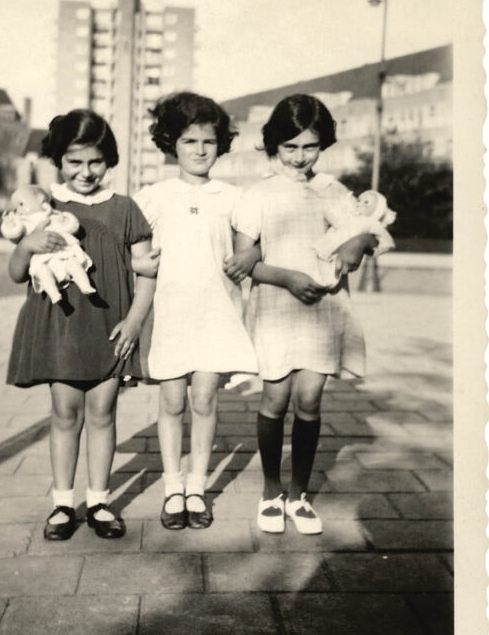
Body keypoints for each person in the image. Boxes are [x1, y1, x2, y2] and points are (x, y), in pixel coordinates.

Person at [6, 110, 155, 541]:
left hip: (111, 329)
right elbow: (17, 273)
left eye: (95, 162)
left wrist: (134, 321)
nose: (85, 172)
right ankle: (62, 505)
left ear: (109, 161)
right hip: (61, 329)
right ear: (59, 161)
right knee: (64, 414)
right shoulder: (41, 207)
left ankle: (101, 501)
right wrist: (28, 245)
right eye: (75, 162)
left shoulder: (125, 209)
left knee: (103, 413)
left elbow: (147, 272)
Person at [231, 94, 377, 535]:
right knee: (275, 398)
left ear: (323, 145)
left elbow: (367, 231)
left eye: (309, 147)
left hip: (323, 310)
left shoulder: (333, 191)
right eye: (290, 147)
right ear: (273, 145)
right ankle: (270, 491)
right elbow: (243, 261)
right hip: (277, 304)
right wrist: (289, 278)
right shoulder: (257, 195)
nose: (299, 157)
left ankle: (299, 494)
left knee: (310, 400)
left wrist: (357, 243)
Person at [134, 92, 258, 530]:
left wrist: (247, 256)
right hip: (170, 316)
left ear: (221, 144)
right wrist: (136, 261)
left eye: (208, 141)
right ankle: (172, 488)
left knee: (204, 400)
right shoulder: (153, 196)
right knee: (170, 400)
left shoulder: (233, 196)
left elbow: (250, 244)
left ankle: (197, 488)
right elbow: (129, 246)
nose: (200, 150)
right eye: (189, 141)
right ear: (172, 144)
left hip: (216, 316)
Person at [0, 184, 95, 304]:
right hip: (41, 258)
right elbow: (13, 233)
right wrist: (8, 222)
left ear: (42, 203)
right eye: (15, 208)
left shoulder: (54, 215)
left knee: (74, 264)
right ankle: (54, 293)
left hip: (62, 251)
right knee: (42, 272)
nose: (17, 210)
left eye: (21, 204)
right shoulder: (23, 221)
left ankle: (85, 285)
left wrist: (66, 218)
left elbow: (72, 227)